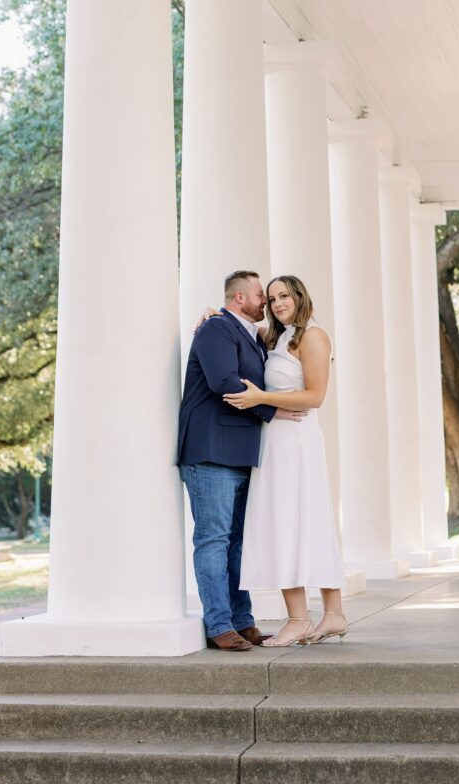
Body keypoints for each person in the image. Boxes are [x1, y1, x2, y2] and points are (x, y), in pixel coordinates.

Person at [178, 270, 306, 652]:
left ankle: (242, 620)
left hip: (240, 453)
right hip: (211, 451)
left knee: (237, 542)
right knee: (214, 540)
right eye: (258, 295)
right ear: (238, 298)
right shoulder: (217, 328)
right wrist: (274, 409)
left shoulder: (252, 336)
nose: (265, 301)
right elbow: (223, 382)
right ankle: (219, 625)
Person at [223, 275, 347, 646]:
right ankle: (332, 616)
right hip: (275, 442)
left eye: (283, 296)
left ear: (299, 296)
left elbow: (314, 396)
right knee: (286, 522)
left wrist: (262, 398)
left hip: (297, 442)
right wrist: (212, 313)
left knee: (300, 521)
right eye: (271, 297)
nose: (277, 303)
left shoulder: (313, 335)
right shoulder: (275, 337)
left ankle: (300, 619)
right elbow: (236, 323)